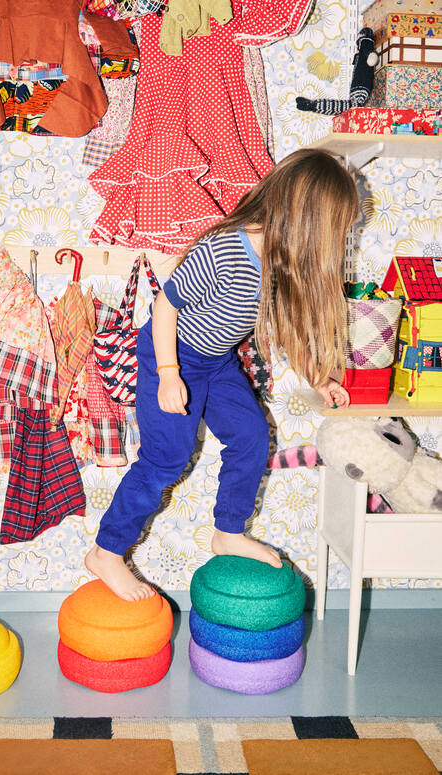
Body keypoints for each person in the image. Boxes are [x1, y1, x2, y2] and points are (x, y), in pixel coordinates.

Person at [85, 148, 360, 601]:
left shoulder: (278, 259)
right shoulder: (224, 248)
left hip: (217, 363)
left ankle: (228, 532)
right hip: (170, 356)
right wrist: (170, 375)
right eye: (331, 232)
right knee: (165, 459)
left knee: (251, 436)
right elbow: (164, 306)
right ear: (304, 217)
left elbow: (288, 328)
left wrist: (319, 379)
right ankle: (107, 552)